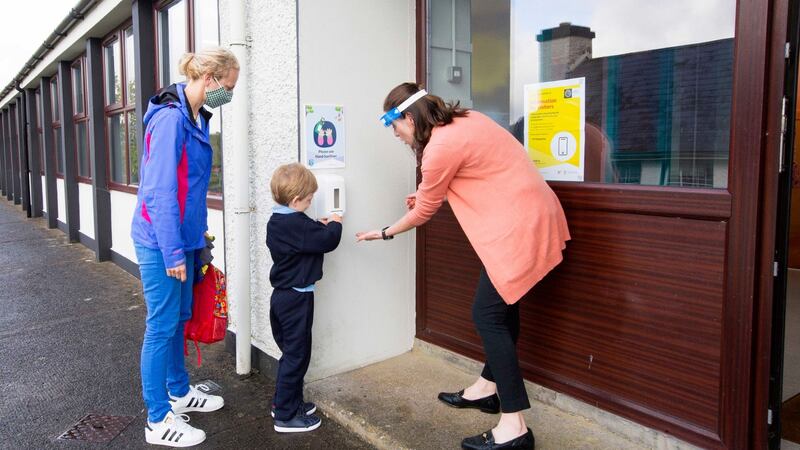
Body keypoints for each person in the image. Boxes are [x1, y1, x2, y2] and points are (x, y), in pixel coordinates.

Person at [356, 82, 570, 450]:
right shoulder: (468, 119)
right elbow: (475, 173)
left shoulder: (438, 148)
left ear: (409, 116)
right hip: (534, 216)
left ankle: (514, 425)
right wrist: (426, 193)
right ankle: (488, 389)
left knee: (487, 315)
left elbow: (424, 210)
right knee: (503, 307)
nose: (397, 135)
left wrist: (385, 232)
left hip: (518, 229)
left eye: (395, 126)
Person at [130, 47, 239, 447]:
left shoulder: (195, 116)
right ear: (209, 79)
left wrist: (198, 240)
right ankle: (157, 419)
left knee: (178, 319)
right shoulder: (171, 119)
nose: (228, 95)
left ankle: (179, 390)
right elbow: (158, 192)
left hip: (185, 240)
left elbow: (190, 189)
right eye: (227, 87)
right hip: (162, 243)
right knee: (160, 326)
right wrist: (174, 252)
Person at [266, 163, 343, 433]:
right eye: (309, 200)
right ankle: (285, 417)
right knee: (297, 356)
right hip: (296, 300)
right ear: (296, 200)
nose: (311, 203)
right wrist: (335, 223)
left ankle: (286, 402)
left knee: (292, 354)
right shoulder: (296, 224)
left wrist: (317, 226)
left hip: (283, 298)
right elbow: (327, 241)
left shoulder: (279, 220)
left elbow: (305, 235)